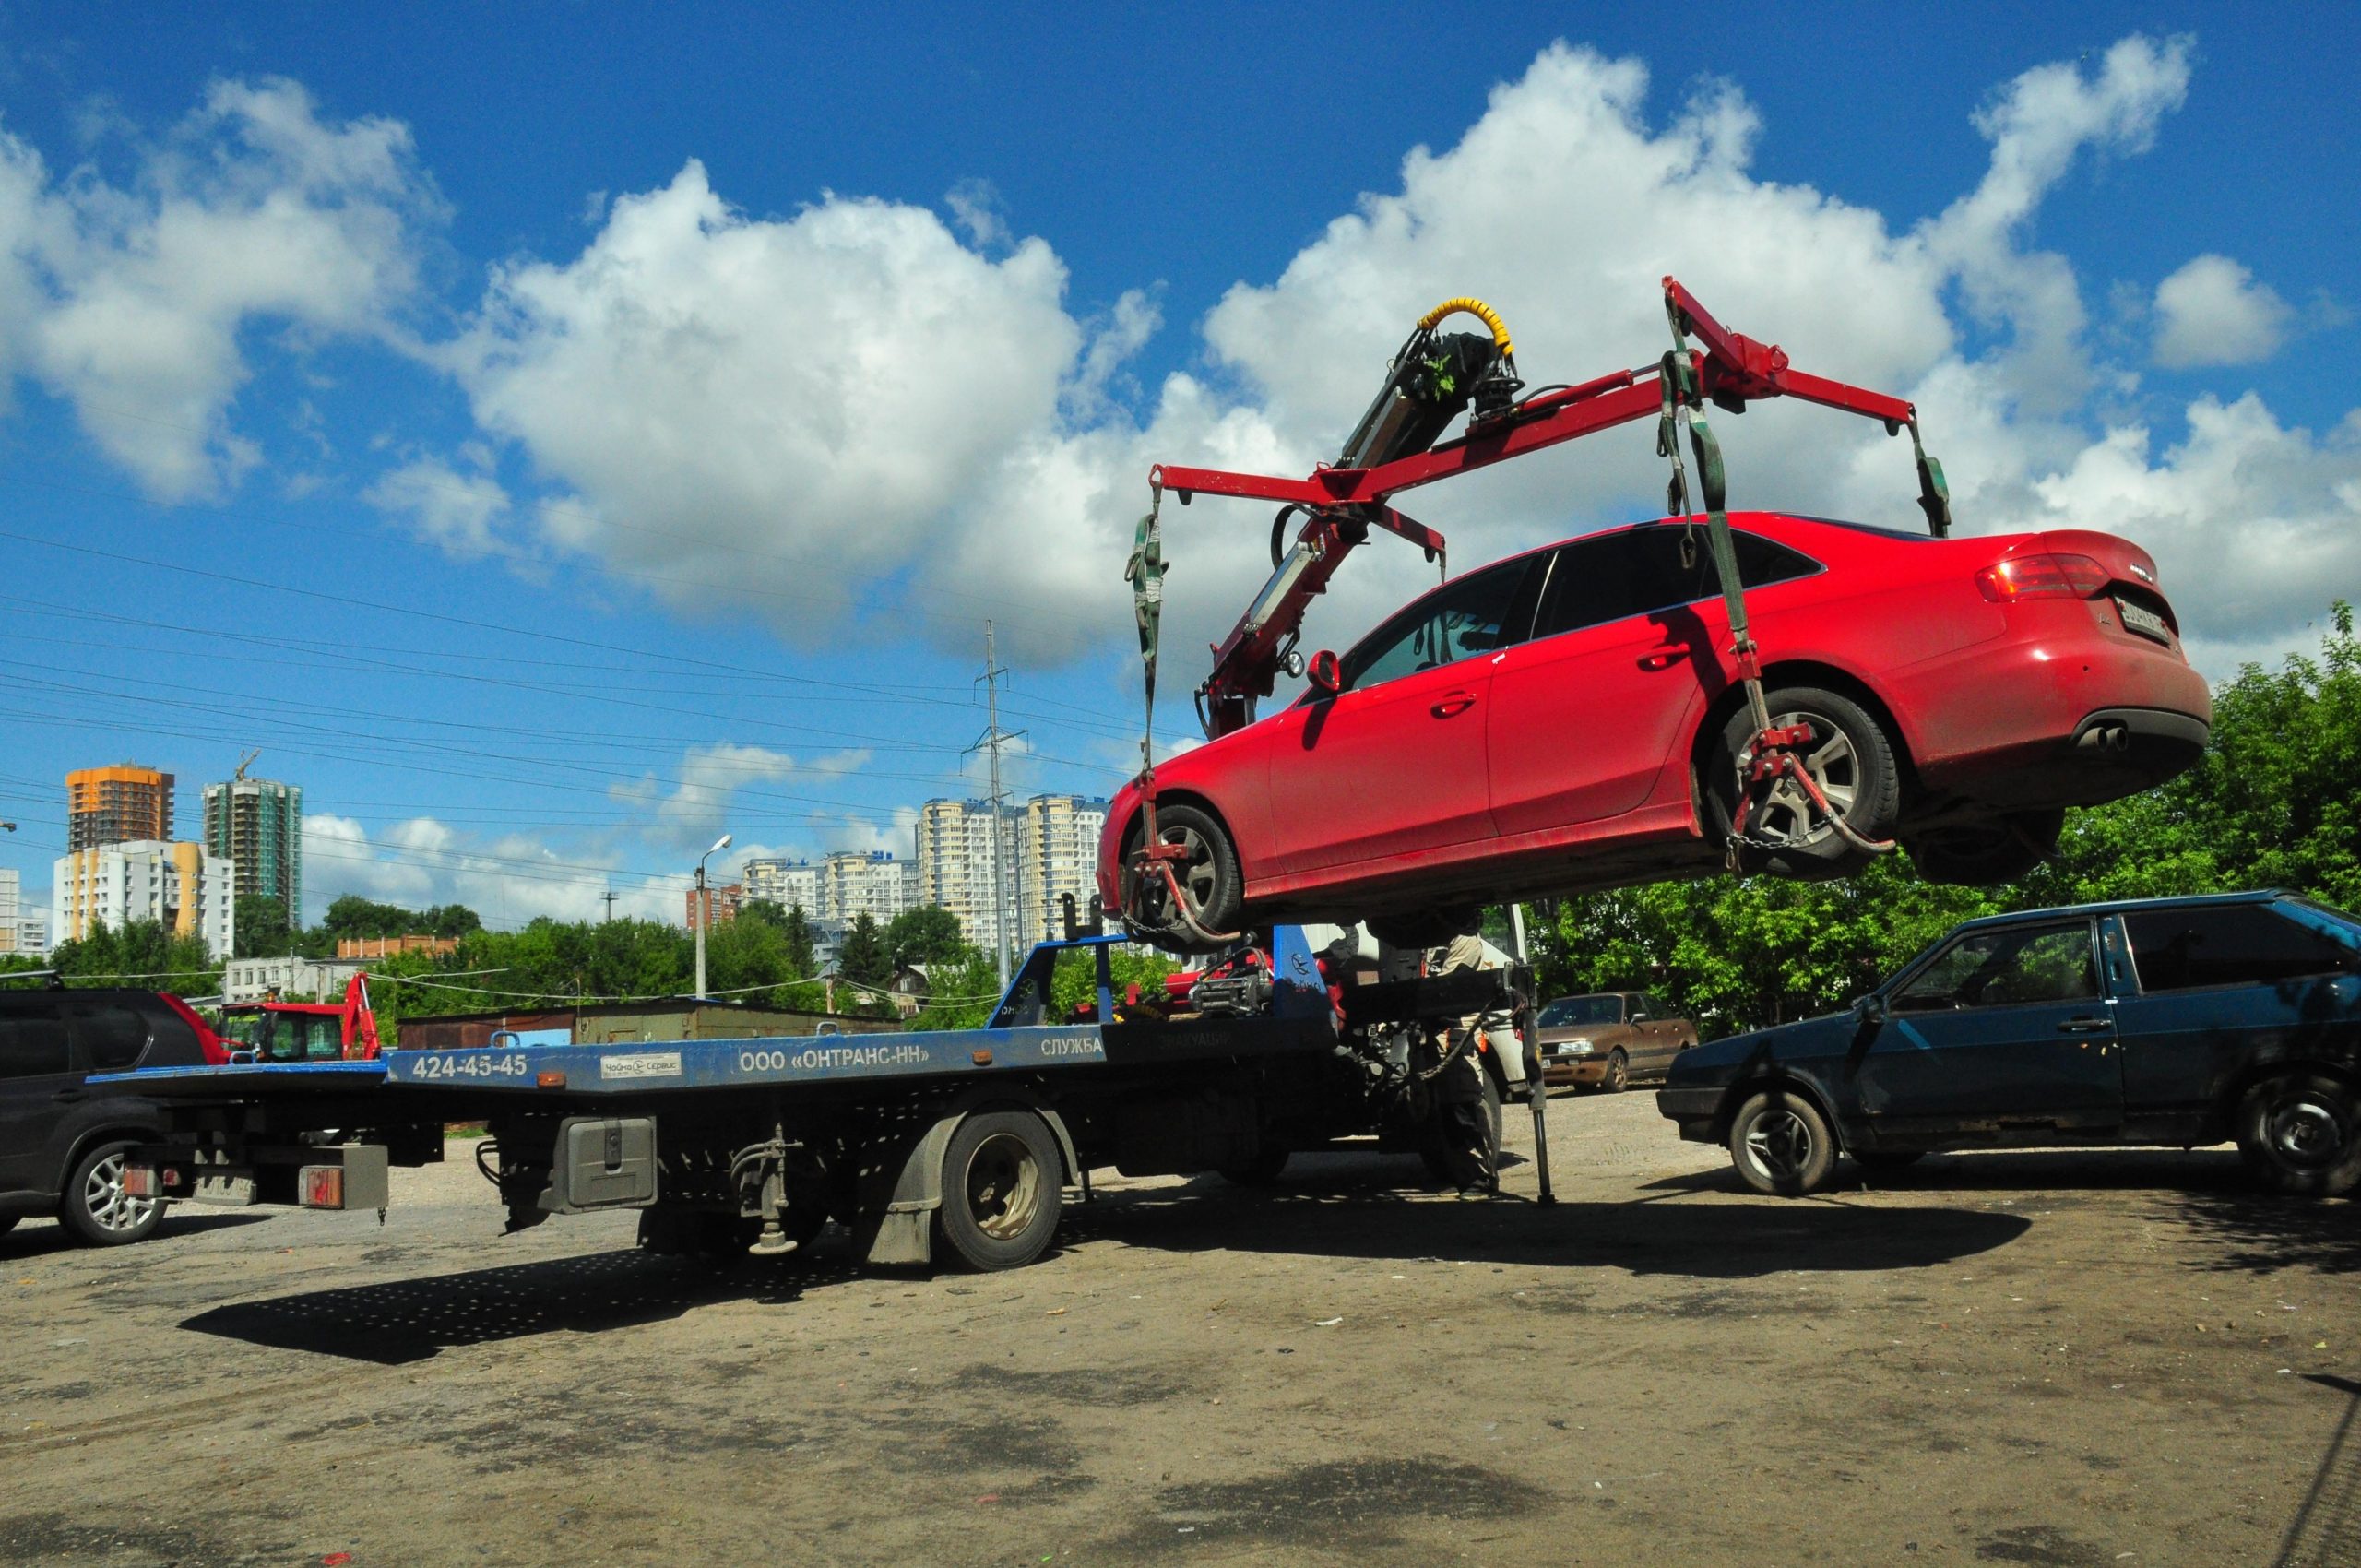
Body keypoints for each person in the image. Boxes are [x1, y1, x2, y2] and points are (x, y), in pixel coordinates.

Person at [1422, 923, 1497, 1198]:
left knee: (1464, 1106)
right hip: (1439, 1034)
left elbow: (1451, 986)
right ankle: (1465, 1175)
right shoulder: (1431, 940)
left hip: (1457, 1032)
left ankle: (1481, 1178)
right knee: (1447, 1111)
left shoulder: (1465, 938)